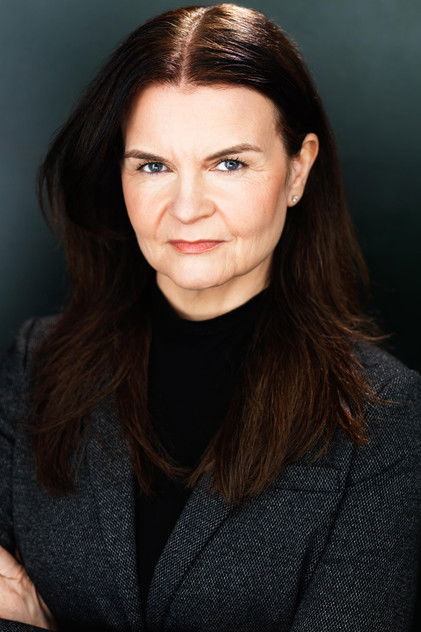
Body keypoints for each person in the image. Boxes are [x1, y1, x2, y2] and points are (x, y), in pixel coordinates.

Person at [0, 3, 419, 631]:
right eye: (153, 166)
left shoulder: (383, 419)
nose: (187, 208)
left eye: (229, 163)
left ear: (298, 169)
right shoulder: (37, 364)